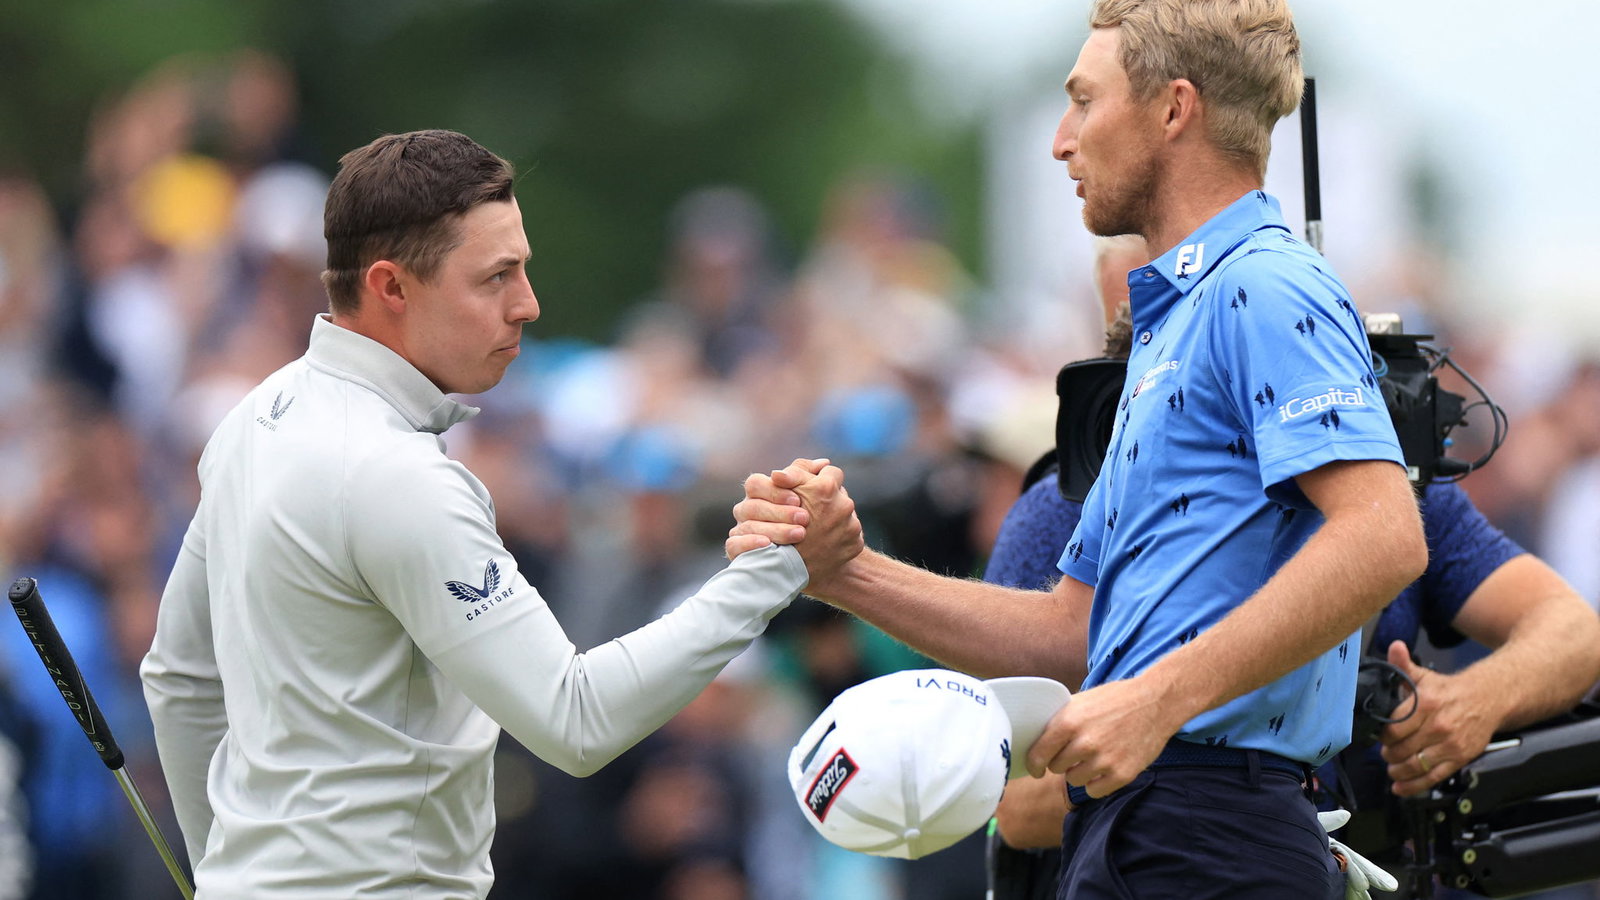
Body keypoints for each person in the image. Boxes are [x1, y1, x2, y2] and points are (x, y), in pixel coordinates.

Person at [730, 1, 1431, 895]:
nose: (1062, 140)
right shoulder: (1170, 327)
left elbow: (1384, 537)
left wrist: (1158, 698)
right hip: (1142, 822)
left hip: (1215, 831)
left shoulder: (1264, 280)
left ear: (1174, 110)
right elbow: (1072, 634)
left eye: (1084, 102)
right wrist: (846, 572)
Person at [139, 129, 862, 899]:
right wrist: (779, 563)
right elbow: (575, 720)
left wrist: (220, 869)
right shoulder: (395, 474)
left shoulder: (255, 419)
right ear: (391, 287)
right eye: (496, 277)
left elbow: (179, 678)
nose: (528, 303)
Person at [984, 306, 1600, 899]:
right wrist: (1198, 754)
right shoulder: (1064, 511)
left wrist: (1474, 701)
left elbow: (1574, 632)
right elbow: (1014, 805)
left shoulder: (1383, 492)